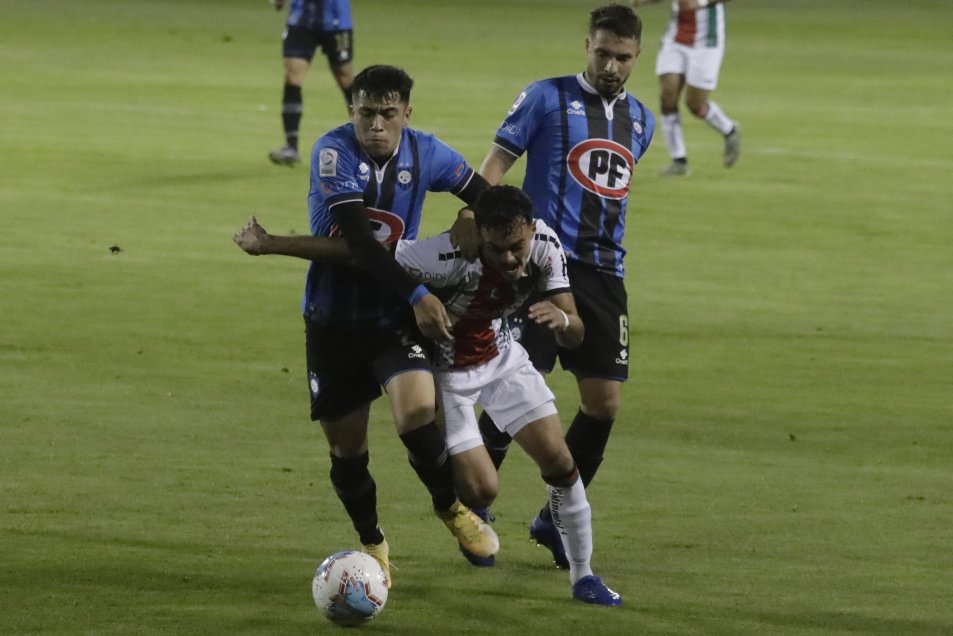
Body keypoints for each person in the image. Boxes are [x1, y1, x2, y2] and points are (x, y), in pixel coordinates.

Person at [236, 185, 623, 606]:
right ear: (480, 239)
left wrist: (563, 319)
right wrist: (271, 243)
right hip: (448, 376)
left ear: (531, 229)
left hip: (503, 360)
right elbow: (358, 252)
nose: (509, 259)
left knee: (561, 463)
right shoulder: (443, 257)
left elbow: (575, 333)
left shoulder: (547, 247)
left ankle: (584, 577)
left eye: (517, 246)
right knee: (482, 490)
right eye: (497, 250)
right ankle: (453, 495)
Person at [236, 64, 499, 583]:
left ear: (406, 113)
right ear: (350, 111)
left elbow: (489, 198)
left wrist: (471, 216)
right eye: (366, 113)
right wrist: (420, 292)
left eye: (388, 113)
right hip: (333, 319)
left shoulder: (430, 153)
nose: (376, 124)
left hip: (389, 318)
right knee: (347, 450)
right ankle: (372, 541)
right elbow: (359, 243)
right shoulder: (333, 153)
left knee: (418, 414)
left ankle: (450, 508)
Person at [454, 4, 655, 570]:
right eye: (602, 52)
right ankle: (476, 510)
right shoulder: (545, 97)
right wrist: (482, 229)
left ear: (637, 56)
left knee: (604, 401)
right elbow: (495, 164)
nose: (611, 65)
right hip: (539, 263)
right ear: (586, 45)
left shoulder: (642, 120)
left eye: (622, 56)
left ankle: (555, 519)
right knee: (517, 381)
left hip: (604, 271)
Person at [631, 0, 740, 175]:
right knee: (668, 95)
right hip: (675, 39)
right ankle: (679, 159)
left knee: (695, 105)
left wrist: (701, 2)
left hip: (707, 42)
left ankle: (729, 129)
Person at [268, 0, 355, 166]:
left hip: (336, 22)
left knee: (345, 77)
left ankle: (368, 139)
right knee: (293, 75)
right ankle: (291, 146)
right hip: (301, 21)